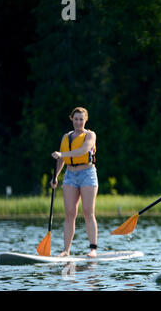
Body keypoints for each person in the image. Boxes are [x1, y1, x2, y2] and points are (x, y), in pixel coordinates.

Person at [50, 107, 99, 258]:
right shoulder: (67, 137)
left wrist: (62, 154)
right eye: (76, 119)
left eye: (81, 119)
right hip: (70, 175)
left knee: (87, 211)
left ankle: (93, 249)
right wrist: (55, 176)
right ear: (72, 119)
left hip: (87, 174)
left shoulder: (90, 135)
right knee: (70, 213)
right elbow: (62, 160)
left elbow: (84, 150)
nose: (78, 122)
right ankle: (66, 250)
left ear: (86, 120)